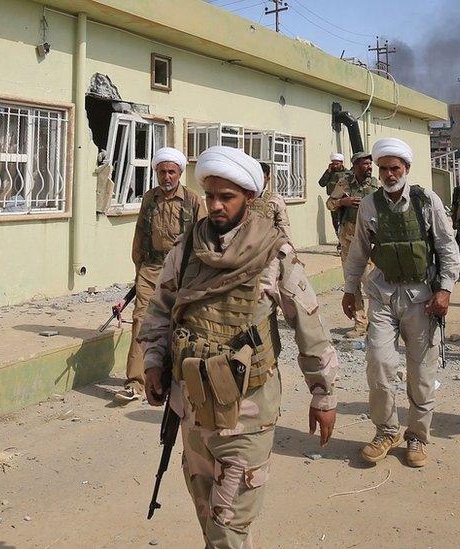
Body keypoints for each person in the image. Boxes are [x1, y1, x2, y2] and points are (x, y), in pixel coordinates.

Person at [139, 146, 339, 547]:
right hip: (194, 407)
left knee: (228, 527)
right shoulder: (186, 249)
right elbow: (160, 309)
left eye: (226, 197)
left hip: (248, 411)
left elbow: (308, 324)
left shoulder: (274, 253)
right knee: (206, 514)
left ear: (249, 197)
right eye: (210, 195)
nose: (215, 205)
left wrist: (324, 393)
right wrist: (153, 362)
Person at [342, 137, 460, 468]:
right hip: (382, 294)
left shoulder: (426, 201)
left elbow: (447, 246)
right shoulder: (369, 205)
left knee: (421, 372)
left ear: (406, 169)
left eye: (395, 168)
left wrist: (446, 289)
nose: (389, 174)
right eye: (384, 169)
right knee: (379, 364)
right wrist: (350, 289)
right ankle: (386, 431)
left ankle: (417, 437)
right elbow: (359, 249)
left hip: (422, 298)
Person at [116, 147, 205, 403]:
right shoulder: (149, 199)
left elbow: (204, 237)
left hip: (183, 271)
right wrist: (139, 271)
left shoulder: (193, 200)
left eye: (171, 172)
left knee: (182, 321)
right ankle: (135, 382)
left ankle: (178, 376)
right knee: (141, 320)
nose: (167, 177)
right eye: (162, 172)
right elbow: (139, 235)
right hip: (151, 269)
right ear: (156, 172)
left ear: (179, 173)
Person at [327, 151, 379, 334]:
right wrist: (343, 201)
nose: (369, 167)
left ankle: (378, 321)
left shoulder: (375, 183)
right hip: (349, 236)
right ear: (355, 165)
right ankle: (360, 322)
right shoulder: (345, 183)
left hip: (371, 236)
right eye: (365, 164)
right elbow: (330, 204)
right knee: (352, 278)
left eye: (370, 164)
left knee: (372, 279)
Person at [318, 152, 348, 242]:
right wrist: (328, 172)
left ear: (341, 163)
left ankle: (343, 241)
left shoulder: (347, 173)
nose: (335, 166)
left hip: (345, 201)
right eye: (333, 163)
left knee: (345, 222)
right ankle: (340, 241)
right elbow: (321, 183)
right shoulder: (329, 173)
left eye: (337, 163)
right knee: (336, 223)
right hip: (333, 202)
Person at [256, 162, 291, 238]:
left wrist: (288, 245)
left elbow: (283, 226)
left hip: (268, 245)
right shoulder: (243, 198)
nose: (258, 181)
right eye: (256, 177)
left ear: (268, 179)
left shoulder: (276, 199)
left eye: (262, 178)